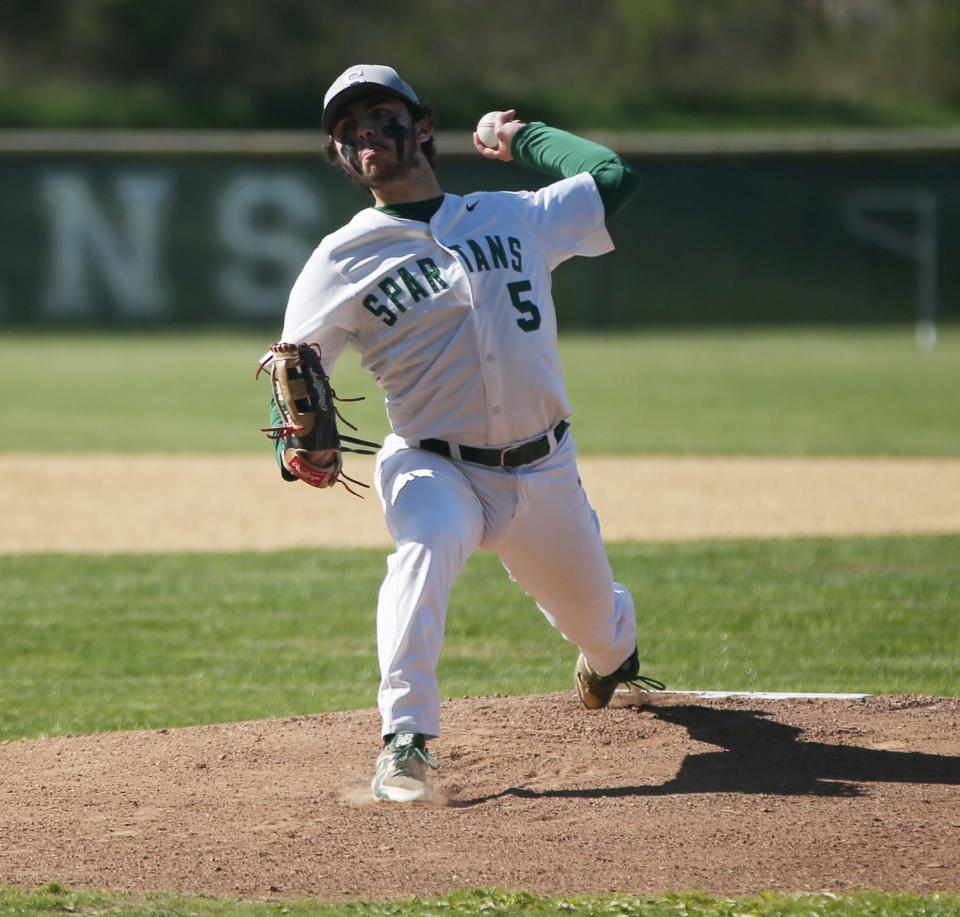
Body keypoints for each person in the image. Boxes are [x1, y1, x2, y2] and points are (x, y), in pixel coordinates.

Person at [264, 64, 662, 804]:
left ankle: (610, 652)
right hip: (430, 462)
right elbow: (297, 368)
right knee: (426, 543)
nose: (363, 136)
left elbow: (615, 177)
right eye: (346, 133)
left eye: (379, 115)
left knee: (602, 636)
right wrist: (303, 446)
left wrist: (520, 135)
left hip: (544, 471)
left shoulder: (514, 215)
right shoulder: (340, 257)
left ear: (421, 126)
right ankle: (405, 740)